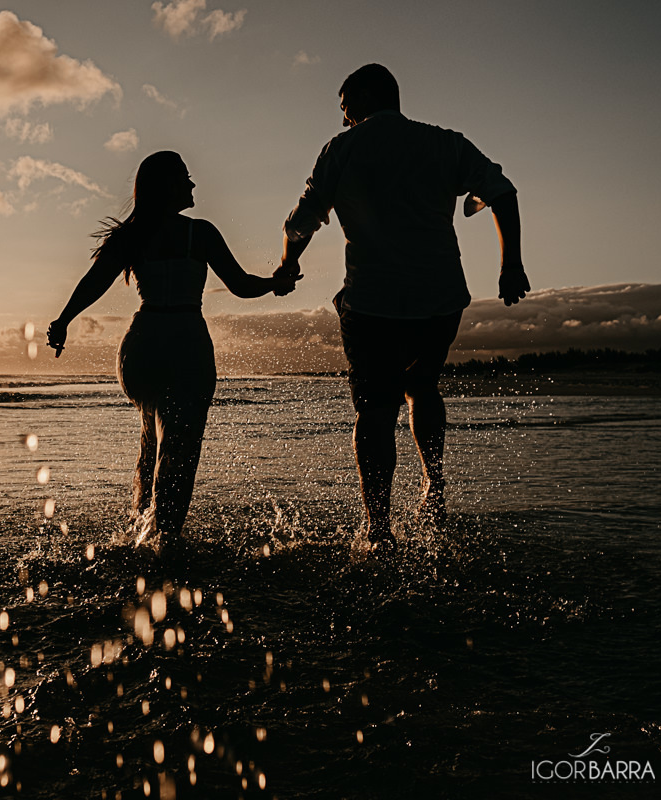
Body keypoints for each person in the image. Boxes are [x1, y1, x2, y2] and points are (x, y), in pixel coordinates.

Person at [277, 64, 531, 549]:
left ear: (367, 96)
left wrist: (289, 266)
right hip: (439, 299)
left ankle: (378, 529)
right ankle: (433, 485)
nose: (343, 116)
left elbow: (301, 220)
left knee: (375, 409)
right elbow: (502, 192)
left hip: (372, 302)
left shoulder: (341, 148)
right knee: (422, 385)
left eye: (345, 105)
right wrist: (511, 265)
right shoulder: (445, 143)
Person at [48, 151, 300, 549]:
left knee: (152, 436)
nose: (192, 183)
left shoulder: (132, 236)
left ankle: (139, 528)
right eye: (184, 177)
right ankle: (165, 542)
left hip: (141, 347)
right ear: (167, 186)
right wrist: (275, 284)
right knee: (180, 448)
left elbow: (94, 281)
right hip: (185, 343)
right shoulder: (200, 233)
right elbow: (240, 285)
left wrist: (63, 320)